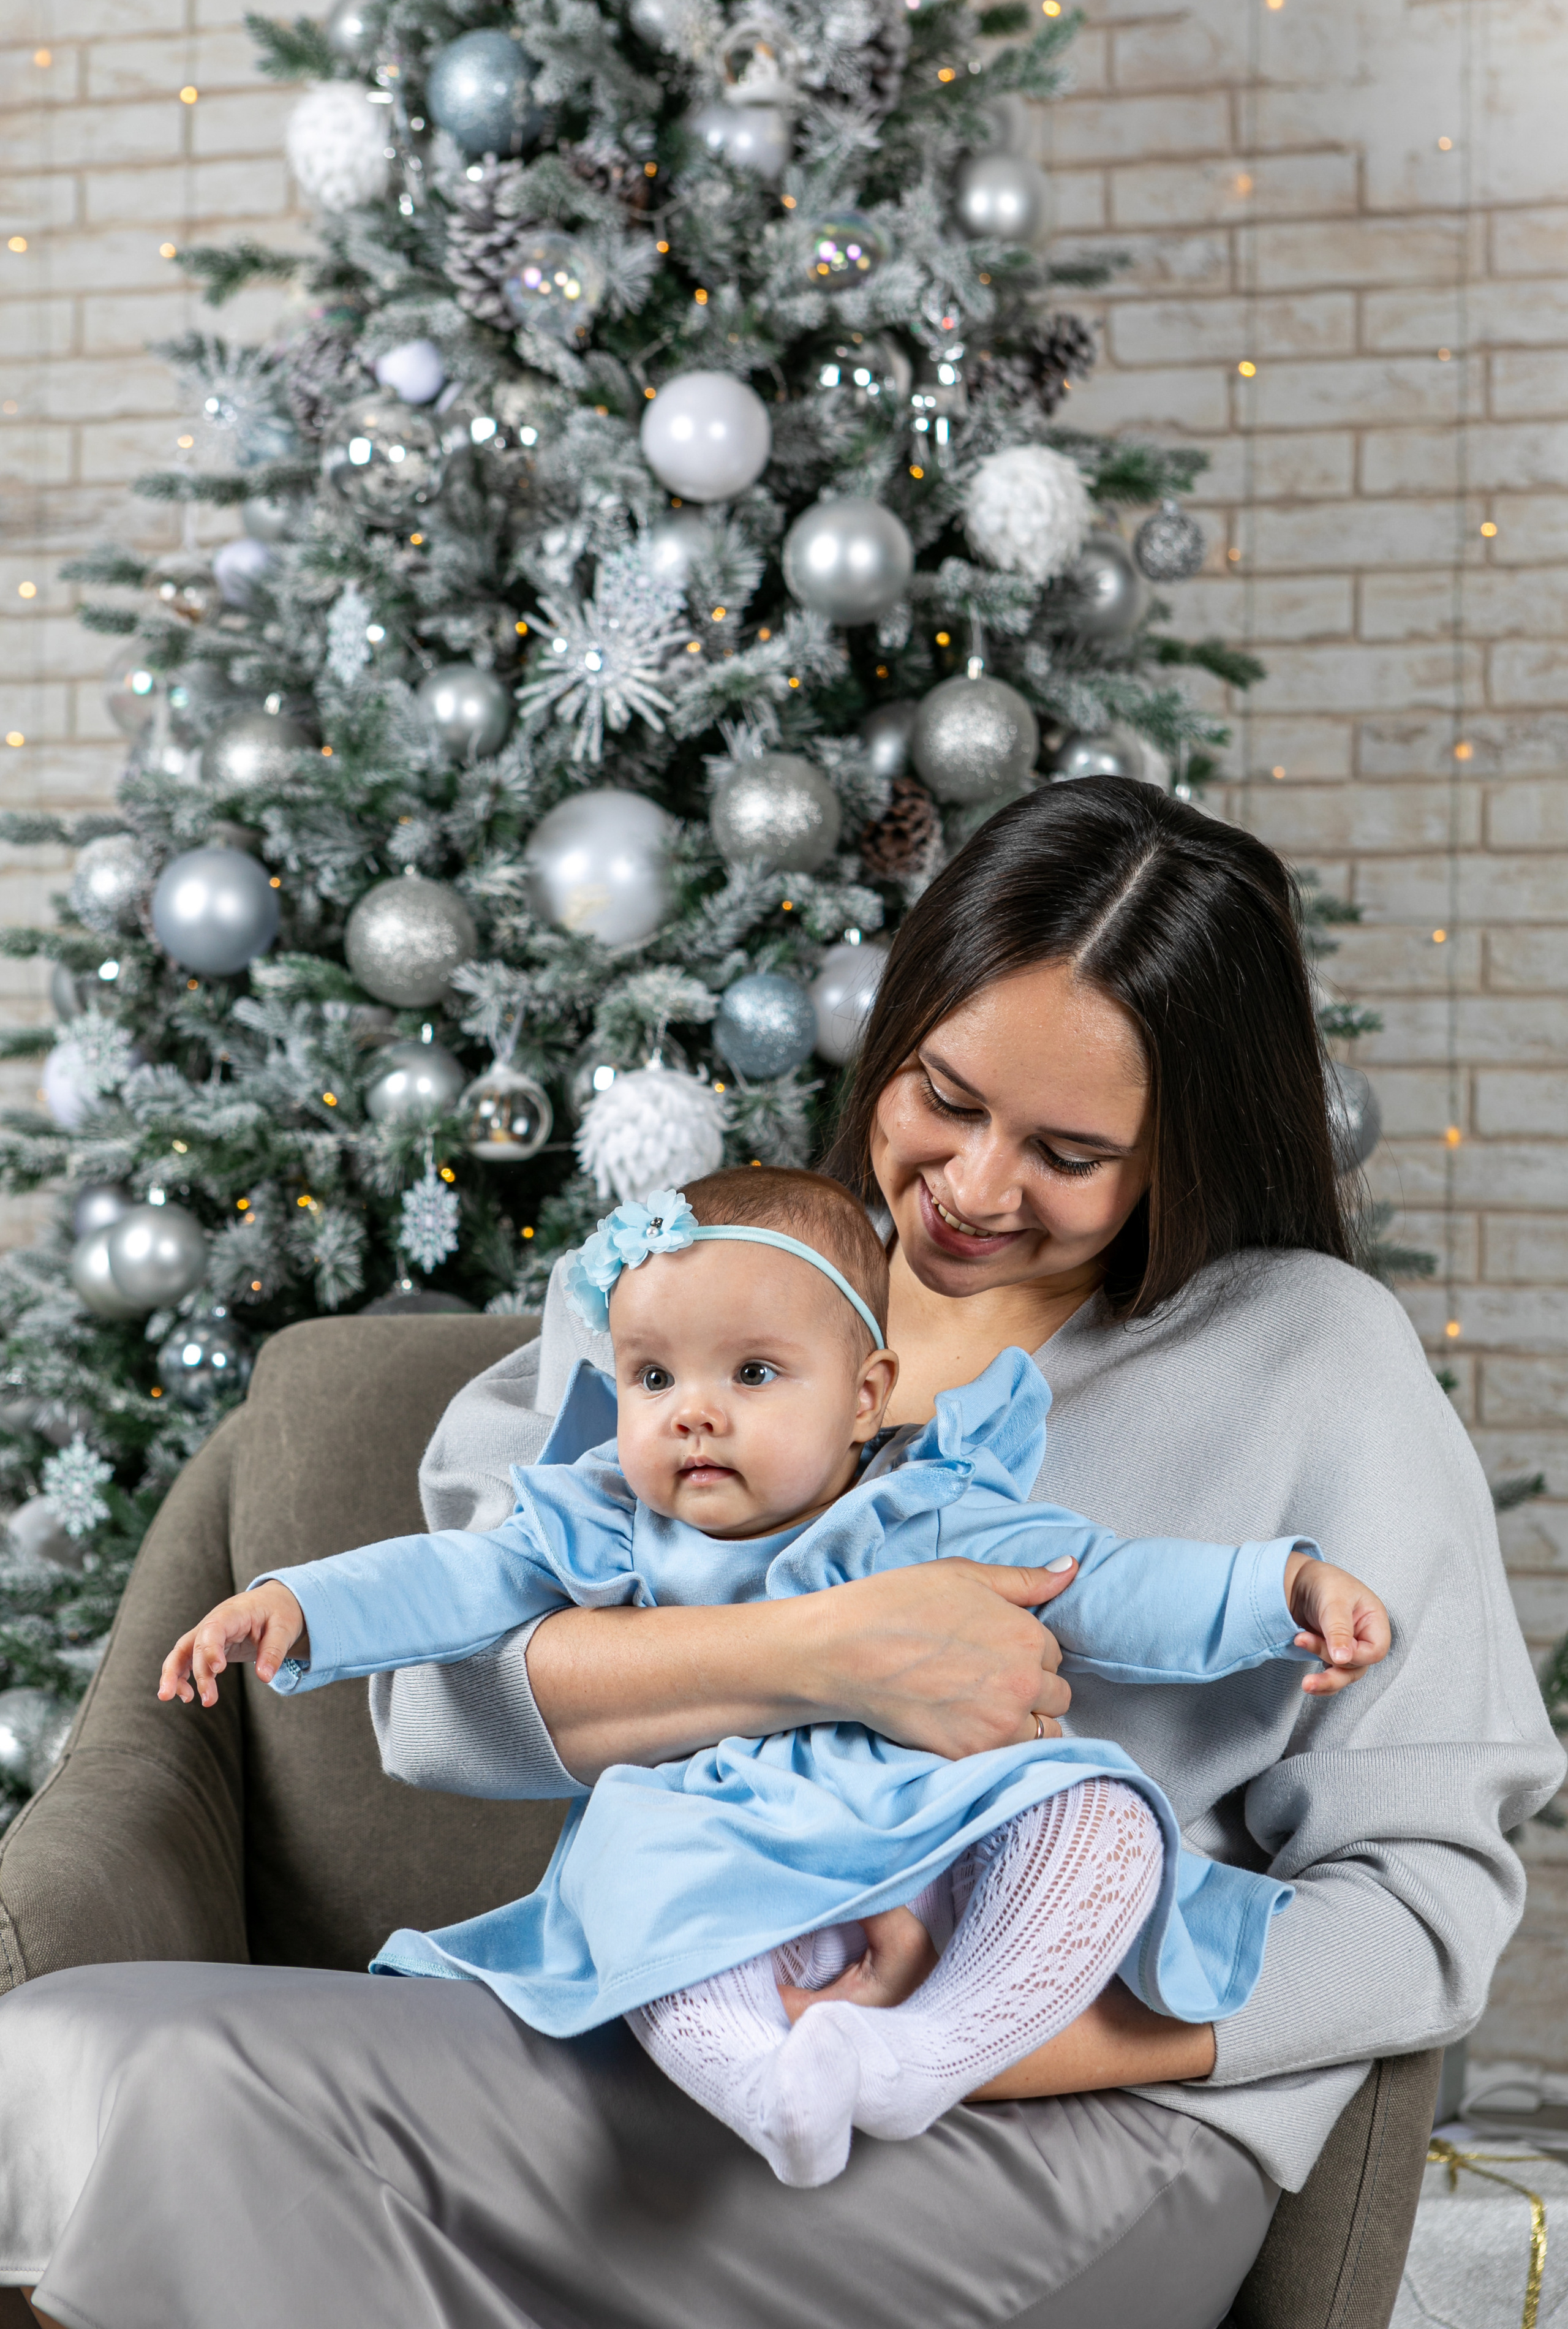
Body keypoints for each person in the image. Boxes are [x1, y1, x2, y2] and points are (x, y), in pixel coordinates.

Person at [2, 779, 1562, 2329]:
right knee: (73, 2050)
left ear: (1183, 1151)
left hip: (1068, 2127)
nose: (972, 1187)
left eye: (1067, 1152)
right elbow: (450, 1694)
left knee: (199, 2098)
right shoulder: (699, 1285)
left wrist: (970, 2039)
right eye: (944, 1099)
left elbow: (1420, 1909)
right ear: (891, 1034)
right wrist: (825, 1659)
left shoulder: (1308, 1357)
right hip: (692, 2030)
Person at [156, 1166, 1390, 2189]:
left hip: (922, 1841)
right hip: (726, 1837)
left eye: (749, 1376)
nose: (691, 1415)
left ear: (863, 1400)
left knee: (1097, 1810)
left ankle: (931, 2048)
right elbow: (451, 1580)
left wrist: (1281, 1592)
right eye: (652, 1378)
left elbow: (1110, 1585)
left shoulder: (930, 1511)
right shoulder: (603, 1526)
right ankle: (761, 2083)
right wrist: (295, 1604)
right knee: (636, 1876)